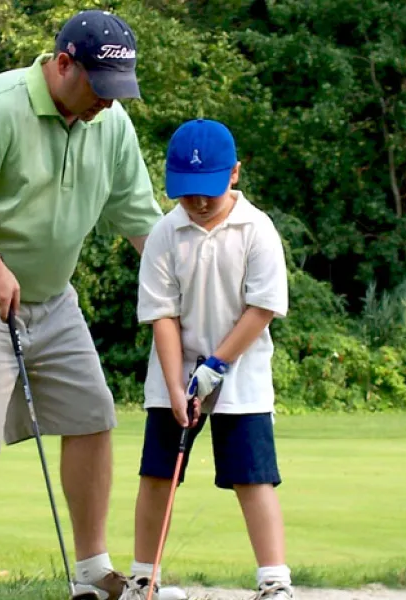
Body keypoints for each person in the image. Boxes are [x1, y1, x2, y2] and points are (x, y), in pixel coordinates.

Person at [0, 9, 163, 600]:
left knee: (92, 414)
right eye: (100, 86)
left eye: (118, 91)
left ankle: (92, 571)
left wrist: (179, 289)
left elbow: (141, 220)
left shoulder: (110, 123)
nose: (108, 102)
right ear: (63, 64)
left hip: (49, 293)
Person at [124, 119, 295, 600]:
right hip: (173, 372)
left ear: (235, 174)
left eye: (209, 191)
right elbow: (162, 314)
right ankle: (143, 579)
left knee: (253, 475)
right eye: (187, 192)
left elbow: (261, 307)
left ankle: (274, 581)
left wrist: (216, 366)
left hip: (242, 374)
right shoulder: (165, 233)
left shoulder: (257, 230)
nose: (198, 202)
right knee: (159, 473)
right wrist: (179, 387)